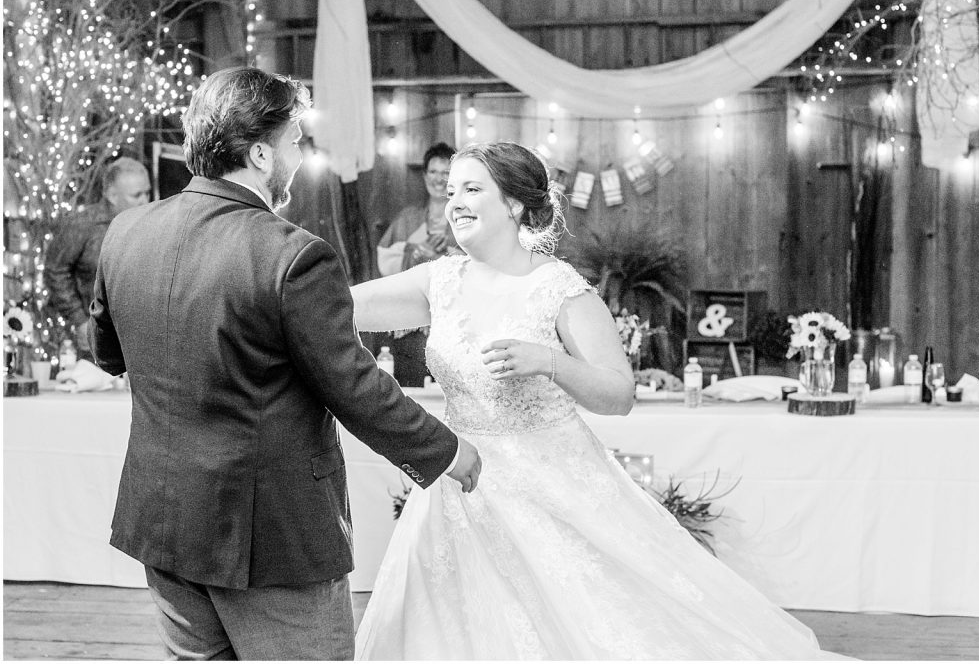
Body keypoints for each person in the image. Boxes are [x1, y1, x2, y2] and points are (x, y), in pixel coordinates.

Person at [350, 141, 847, 660]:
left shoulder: (557, 288)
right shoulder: (438, 280)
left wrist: (550, 362)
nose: (455, 202)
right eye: (452, 191)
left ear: (515, 205)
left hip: (550, 484)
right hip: (458, 483)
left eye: (472, 189)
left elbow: (619, 394)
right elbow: (335, 306)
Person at [89, 67, 482, 660]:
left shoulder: (126, 233)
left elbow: (108, 353)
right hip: (270, 535)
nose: (300, 154)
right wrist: (447, 451)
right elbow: (355, 389)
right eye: (294, 140)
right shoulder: (292, 255)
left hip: (164, 520)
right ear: (259, 153)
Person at [375, 142, 461, 387]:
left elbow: (481, 265)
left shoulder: (466, 219)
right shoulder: (408, 218)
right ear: (424, 176)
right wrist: (413, 253)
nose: (439, 179)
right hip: (410, 327)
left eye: (446, 173)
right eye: (433, 172)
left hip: (452, 327)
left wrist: (446, 254)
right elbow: (385, 260)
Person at [44, 156, 151, 351]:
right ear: (112, 195)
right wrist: (79, 319)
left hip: (137, 338)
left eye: (147, 193)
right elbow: (55, 269)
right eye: (137, 195)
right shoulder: (83, 224)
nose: (146, 200)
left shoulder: (151, 224)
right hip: (92, 338)